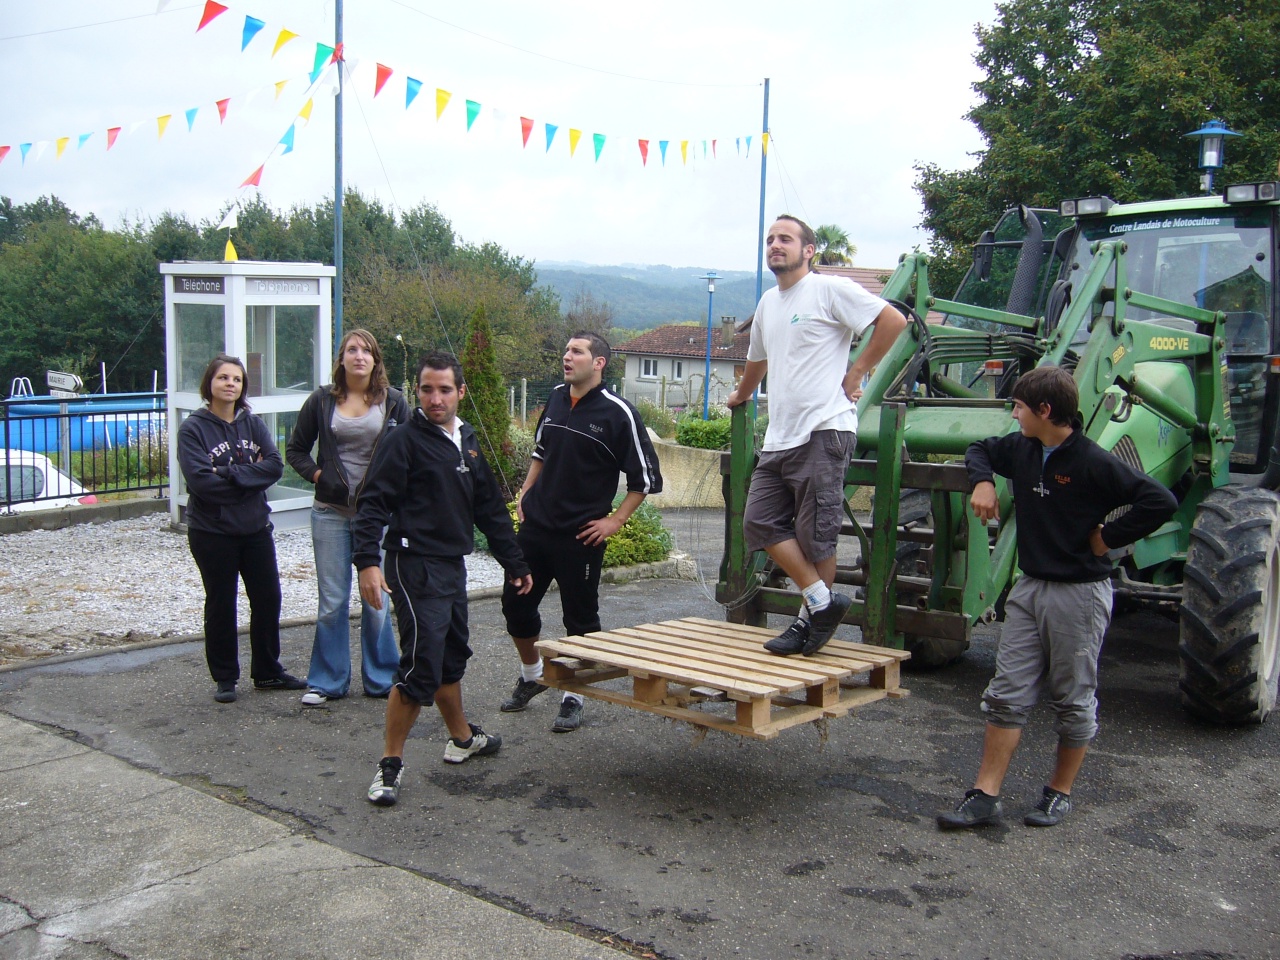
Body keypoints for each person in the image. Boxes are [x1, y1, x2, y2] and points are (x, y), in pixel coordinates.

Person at [937, 365, 1177, 829]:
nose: (1014, 413)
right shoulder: (1024, 448)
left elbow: (1159, 501)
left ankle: (1058, 792)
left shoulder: (1092, 461)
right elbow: (979, 448)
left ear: (1045, 411)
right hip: (1028, 588)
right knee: (1006, 694)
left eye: (1020, 407)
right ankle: (985, 796)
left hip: (1079, 596)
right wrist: (983, 481)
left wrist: (1110, 537)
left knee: (1071, 698)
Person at [355, 351, 533, 807]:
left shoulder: (467, 439)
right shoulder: (404, 441)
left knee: (451, 655)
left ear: (460, 392)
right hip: (413, 566)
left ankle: (460, 738)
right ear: (416, 391)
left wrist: (514, 562)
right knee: (420, 665)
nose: (436, 399)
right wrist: (367, 563)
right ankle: (389, 766)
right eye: (427, 389)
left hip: (451, 564)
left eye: (445, 390)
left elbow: (490, 509)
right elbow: (373, 503)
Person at [726, 215, 907, 657]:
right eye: (770, 239)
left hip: (825, 429)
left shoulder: (829, 290)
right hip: (779, 436)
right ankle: (822, 602)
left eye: (785, 239)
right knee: (758, 521)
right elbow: (757, 360)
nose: (775, 245)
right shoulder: (769, 302)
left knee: (815, 535)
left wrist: (858, 370)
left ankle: (809, 625)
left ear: (809, 250)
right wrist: (741, 395)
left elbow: (893, 321)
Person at [499, 331, 663, 733]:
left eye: (577, 352)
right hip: (536, 528)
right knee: (515, 608)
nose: (567, 357)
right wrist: (524, 492)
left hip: (580, 537)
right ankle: (532, 674)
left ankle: (575, 694)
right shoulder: (556, 397)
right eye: (567, 351)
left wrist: (615, 521)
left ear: (599, 362)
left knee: (580, 620)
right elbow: (540, 451)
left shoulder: (617, 413)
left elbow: (645, 478)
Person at [286, 329, 410, 707]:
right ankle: (327, 681)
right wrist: (319, 476)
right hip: (330, 514)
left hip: (377, 516)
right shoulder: (321, 401)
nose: (359, 356)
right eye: (351, 350)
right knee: (333, 601)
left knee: (376, 599)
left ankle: (382, 678)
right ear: (341, 359)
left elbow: (409, 454)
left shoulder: (393, 402)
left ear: (375, 360)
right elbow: (296, 450)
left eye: (366, 351)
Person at [176, 354, 307, 703]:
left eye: (236, 379)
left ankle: (267, 672)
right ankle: (225, 677)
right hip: (212, 532)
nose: (230, 384)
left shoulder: (253, 424)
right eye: (223, 378)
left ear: (243, 386)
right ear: (210, 384)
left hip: (255, 529)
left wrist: (228, 473)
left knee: (267, 598)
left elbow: (275, 467)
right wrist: (249, 477)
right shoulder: (193, 429)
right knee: (222, 603)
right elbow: (202, 483)